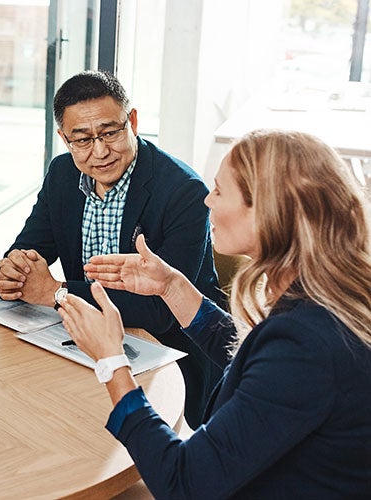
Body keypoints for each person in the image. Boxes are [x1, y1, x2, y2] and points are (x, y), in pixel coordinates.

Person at [60, 129, 371, 497]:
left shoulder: (306, 343)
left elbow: (184, 484)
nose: (207, 200)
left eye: (220, 191)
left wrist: (112, 361)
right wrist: (172, 287)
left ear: (268, 212)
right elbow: (255, 361)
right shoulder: (324, 296)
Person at [0, 70, 223, 428]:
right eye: (82, 139)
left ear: (132, 121)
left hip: (167, 355)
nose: (99, 151)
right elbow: (30, 247)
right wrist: (15, 271)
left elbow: (161, 310)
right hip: (83, 346)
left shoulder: (184, 191)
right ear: (63, 138)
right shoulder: (63, 174)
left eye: (110, 132)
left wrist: (56, 293)